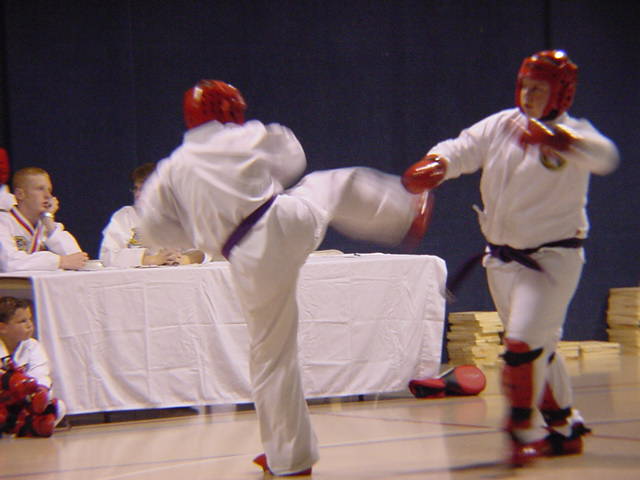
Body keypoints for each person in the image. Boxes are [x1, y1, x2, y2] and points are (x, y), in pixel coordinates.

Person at [136, 79, 431, 476]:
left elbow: (154, 228)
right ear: (228, 110)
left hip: (245, 258)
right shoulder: (244, 136)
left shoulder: (171, 170)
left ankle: (289, 457)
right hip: (280, 222)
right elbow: (293, 157)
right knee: (330, 185)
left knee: (271, 357)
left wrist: (201, 225)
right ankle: (405, 211)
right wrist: (260, 176)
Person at [402, 50, 619, 466]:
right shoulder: (502, 125)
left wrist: (561, 141)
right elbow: (462, 148)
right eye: (524, 86)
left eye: (539, 89)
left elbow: (605, 156)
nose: (528, 95)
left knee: (521, 346)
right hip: (501, 260)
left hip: (551, 260)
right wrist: (436, 164)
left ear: (561, 94)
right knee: (541, 347)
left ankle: (522, 432)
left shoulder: (576, 135)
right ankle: (565, 427)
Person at [99, 162, 209, 267]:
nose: (137, 194)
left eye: (144, 189)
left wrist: (187, 259)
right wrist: (149, 259)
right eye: (136, 189)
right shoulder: (125, 216)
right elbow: (107, 255)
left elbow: (206, 250)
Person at [0, 296, 66, 437]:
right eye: (22, 321)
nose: (29, 325)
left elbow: (41, 373)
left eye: (30, 319)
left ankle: (25, 427)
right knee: (14, 381)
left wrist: (40, 391)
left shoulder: (33, 346)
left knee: (58, 407)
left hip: (23, 401)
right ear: (2, 328)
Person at [0, 167, 88, 272]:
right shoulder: (3, 223)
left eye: (49, 190)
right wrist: (59, 261)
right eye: (40, 189)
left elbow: (78, 260)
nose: (48, 196)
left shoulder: (48, 224)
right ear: (20, 194)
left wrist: (49, 221)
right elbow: (9, 263)